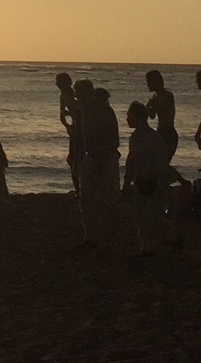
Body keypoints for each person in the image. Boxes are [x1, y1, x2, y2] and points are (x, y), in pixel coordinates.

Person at [76, 81, 122, 247]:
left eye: (79, 94)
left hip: (107, 158)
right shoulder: (83, 110)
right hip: (89, 157)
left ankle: (112, 235)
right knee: (86, 199)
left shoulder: (105, 111)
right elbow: (83, 136)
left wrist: (102, 160)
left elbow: (113, 140)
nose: (77, 97)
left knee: (110, 199)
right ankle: (90, 237)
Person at [122, 100, 164, 255]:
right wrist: (127, 181)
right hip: (140, 180)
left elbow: (161, 162)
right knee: (139, 215)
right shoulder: (134, 138)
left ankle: (167, 239)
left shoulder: (153, 137)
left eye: (129, 116)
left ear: (138, 117)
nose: (127, 119)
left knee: (152, 216)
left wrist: (160, 184)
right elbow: (131, 160)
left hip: (153, 180)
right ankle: (145, 247)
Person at [145, 71, 179, 173]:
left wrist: (155, 105)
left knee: (163, 163)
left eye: (149, 82)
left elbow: (167, 111)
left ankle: (182, 181)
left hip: (168, 132)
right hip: (160, 131)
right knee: (157, 164)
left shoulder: (167, 95)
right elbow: (152, 116)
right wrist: (148, 107)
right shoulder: (155, 97)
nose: (147, 85)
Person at [55, 72, 82, 191]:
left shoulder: (75, 94)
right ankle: (78, 189)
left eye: (60, 83)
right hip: (75, 129)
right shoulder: (63, 95)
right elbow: (62, 114)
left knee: (76, 159)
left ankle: (80, 189)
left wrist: (69, 118)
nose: (58, 85)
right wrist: (68, 126)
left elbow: (79, 110)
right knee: (72, 159)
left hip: (80, 128)